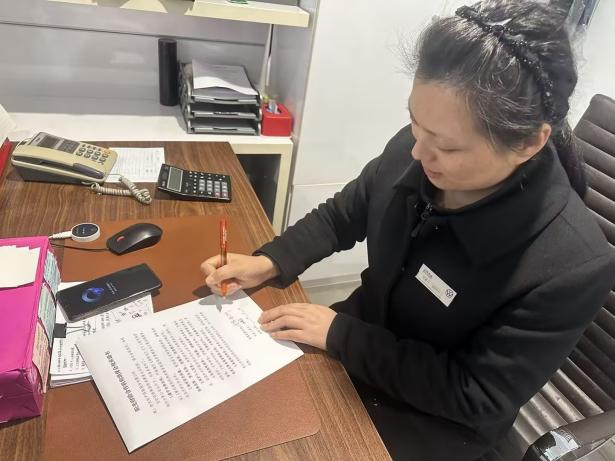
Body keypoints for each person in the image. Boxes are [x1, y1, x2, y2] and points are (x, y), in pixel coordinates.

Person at [201, 1, 615, 459]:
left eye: (448, 147)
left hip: (432, 416)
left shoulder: (572, 266)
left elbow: (476, 394)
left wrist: (342, 336)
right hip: (355, 345)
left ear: (528, 142)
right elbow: (346, 212)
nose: (418, 152)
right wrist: (269, 261)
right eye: (415, 122)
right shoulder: (418, 148)